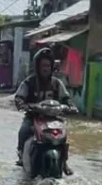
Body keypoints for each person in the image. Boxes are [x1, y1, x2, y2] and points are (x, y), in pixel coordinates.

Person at [14, 47, 77, 175]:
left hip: (53, 120)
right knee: (24, 130)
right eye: (43, 65)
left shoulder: (57, 83)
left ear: (52, 67)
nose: (45, 68)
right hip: (34, 118)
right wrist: (23, 104)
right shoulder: (29, 82)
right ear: (37, 66)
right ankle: (21, 156)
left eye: (48, 65)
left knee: (63, 135)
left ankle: (64, 162)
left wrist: (71, 106)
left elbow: (66, 98)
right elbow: (19, 97)